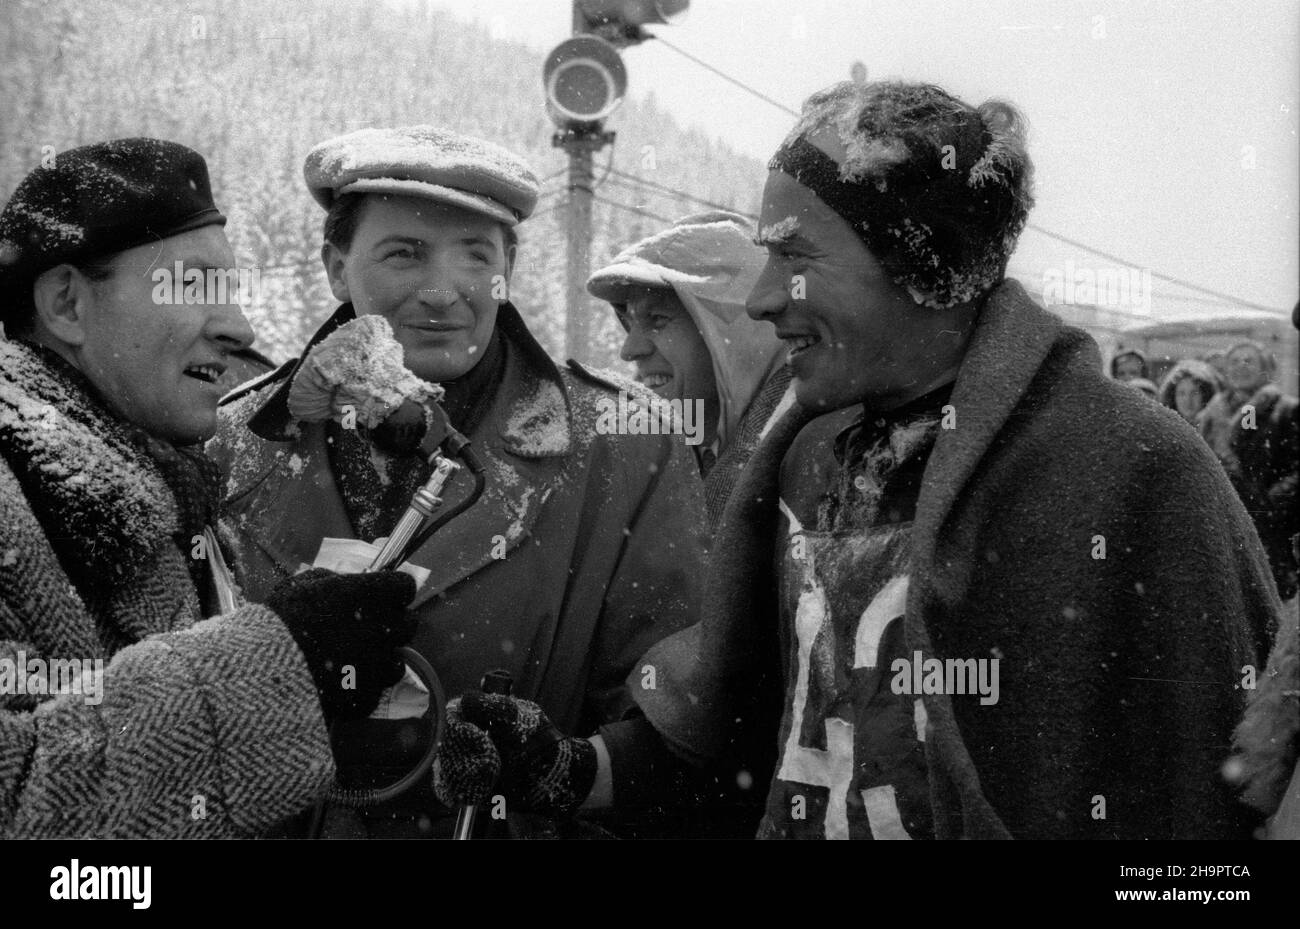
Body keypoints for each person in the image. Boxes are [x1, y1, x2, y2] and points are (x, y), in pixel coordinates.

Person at [437, 80, 1281, 840]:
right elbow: (743, 739)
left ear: (921, 264)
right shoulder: (803, 459)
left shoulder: (1132, 470)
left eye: (796, 256)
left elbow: (1219, 814)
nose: (764, 297)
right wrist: (568, 768)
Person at [208, 126, 707, 838]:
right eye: (405, 253)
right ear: (334, 265)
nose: (444, 292)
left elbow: (678, 724)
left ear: (509, 265)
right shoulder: (230, 443)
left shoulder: (623, 448)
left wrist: (560, 770)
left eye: (477, 256)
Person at [0, 139, 417, 838]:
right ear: (68, 303)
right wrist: (277, 660)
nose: (239, 327)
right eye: (193, 285)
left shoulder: (172, 486)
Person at [587, 211, 793, 533]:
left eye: (657, 320)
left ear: (735, 337)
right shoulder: (644, 457)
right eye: (628, 323)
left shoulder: (803, 468)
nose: (629, 350)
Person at [1210, 341, 1298, 601]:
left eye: (1249, 361)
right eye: (1235, 361)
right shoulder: (1212, 414)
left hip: (1271, 529)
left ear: (1265, 369)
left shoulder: (1286, 409)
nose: (1241, 367)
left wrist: (1270, 504)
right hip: (1225, 524)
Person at [1157, 357, 1223, 425]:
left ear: (1205, 395)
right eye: (1181, 394)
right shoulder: (1166, 426)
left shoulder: (1215, 428)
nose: (1188, 400)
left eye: (1194, 393)